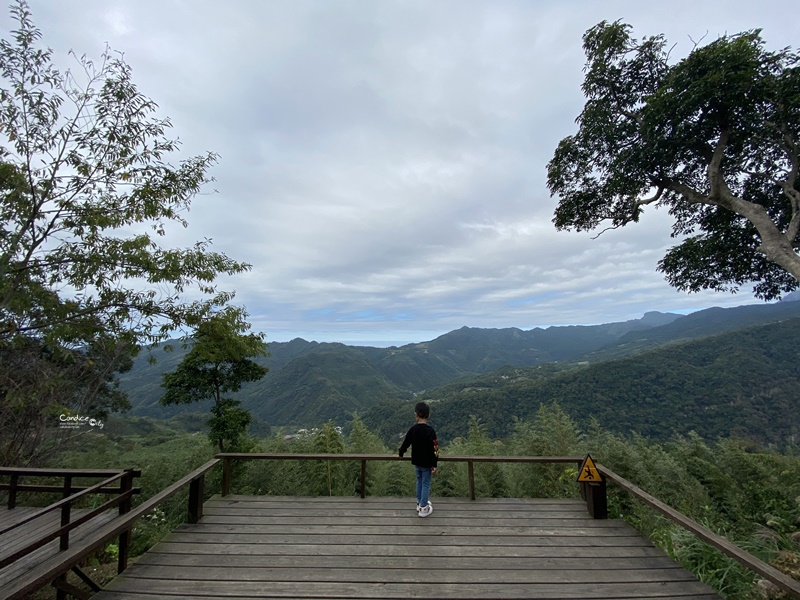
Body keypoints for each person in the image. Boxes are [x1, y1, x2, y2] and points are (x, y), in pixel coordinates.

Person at [398, 402, 439, 517]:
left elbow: (405, 443)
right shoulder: (431, 431)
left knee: (419, 481)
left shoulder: (413, 430)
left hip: (416, 462)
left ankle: (419, 502)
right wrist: (434, 464)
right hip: (427, 463)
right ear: (428, 415)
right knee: (426, 484)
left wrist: (401, 453)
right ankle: (423, 508)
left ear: (415, 415)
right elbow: (435, 449)